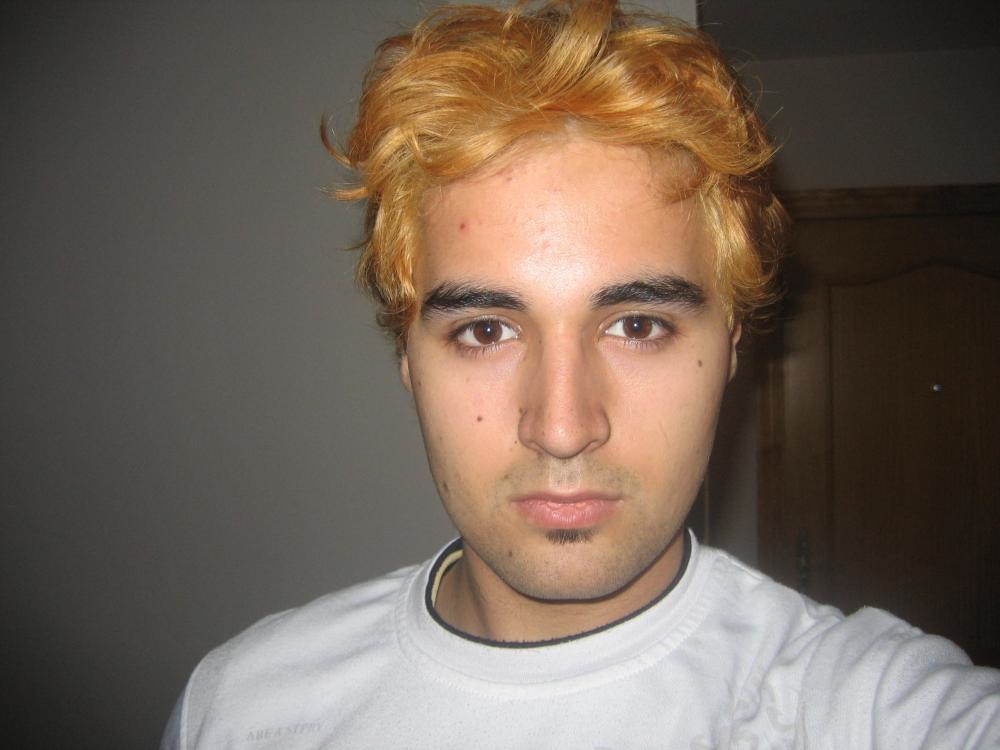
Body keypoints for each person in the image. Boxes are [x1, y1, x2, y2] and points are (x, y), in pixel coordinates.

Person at [162, 1, 1000, 747]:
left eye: (638, 326)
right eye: (486, 330)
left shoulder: (861, 710)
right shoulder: (245, 708)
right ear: (408, 359)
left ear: (731, 346)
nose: (562, 428)